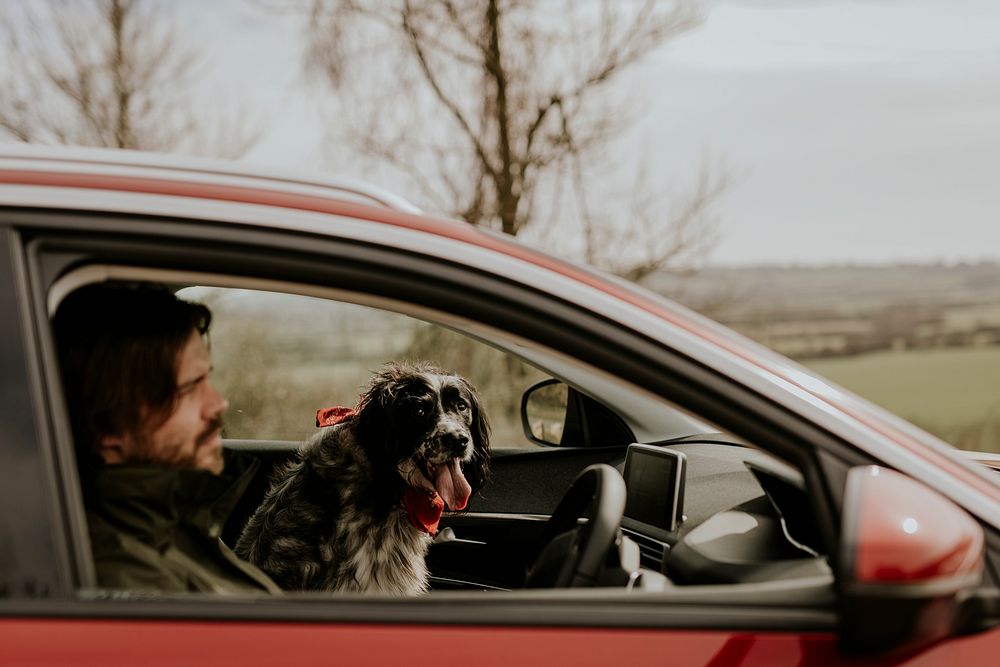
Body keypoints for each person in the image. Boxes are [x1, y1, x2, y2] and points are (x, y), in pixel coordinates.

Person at [53, 281, 280, 594]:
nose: (218, 403)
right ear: (108, 428)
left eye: (208, 378)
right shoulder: (129, 583)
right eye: (190, 388)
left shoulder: (174, 525)